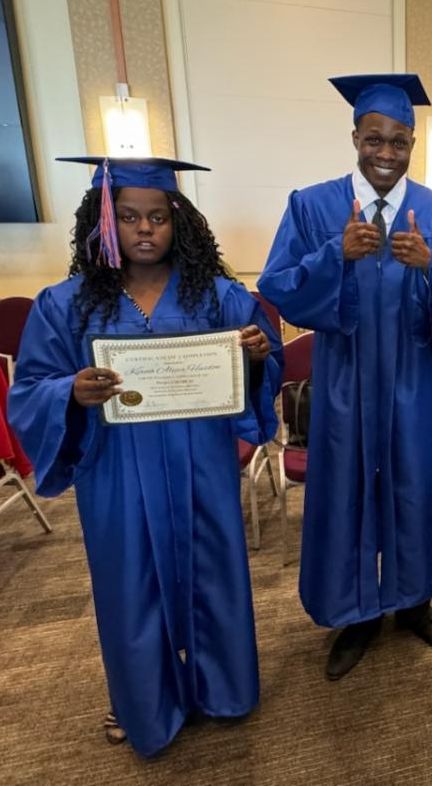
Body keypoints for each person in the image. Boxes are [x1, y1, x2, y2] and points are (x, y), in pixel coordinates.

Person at [8, 156, 282, 757]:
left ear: (178, 222)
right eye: (129, 217)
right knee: (130, 584)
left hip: (201, 462)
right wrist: (70, 391)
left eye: (158, 216)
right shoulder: (67, 304)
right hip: (116, 467)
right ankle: (144, 704)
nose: (145, 229)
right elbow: (29, 388)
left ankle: (222, 689)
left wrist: (258, 356)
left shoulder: (219, 296)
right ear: (104, 224)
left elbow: (262, 366)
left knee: (212, 572)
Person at [258, 74, 432, 681]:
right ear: (354, 138)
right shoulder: (312, 205)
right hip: (343, 379)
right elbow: (278, 287)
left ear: (413, 144)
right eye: (374, 139)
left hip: (412, 380)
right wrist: (335, 255)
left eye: (399, 141)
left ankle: (413, 601)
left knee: (413, 488)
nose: (386, 153)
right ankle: (357, 613)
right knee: (345, 491)